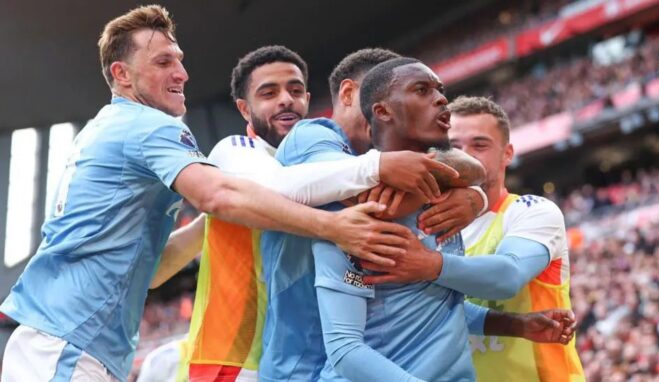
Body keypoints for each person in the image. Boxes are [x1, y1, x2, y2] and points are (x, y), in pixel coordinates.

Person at [0, 8, 429, 381]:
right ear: (122, 74)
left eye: (180, 61)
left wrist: (216, 222)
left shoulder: (109, 128)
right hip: (71, 343)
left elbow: (154, 269)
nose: (182, 73)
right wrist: (334, 225)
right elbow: (218, 194)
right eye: (164, 61)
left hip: (71, 342)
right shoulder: (150, 127)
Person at [151, 45, 452, 382]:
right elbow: (278, 185)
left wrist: (472, 190)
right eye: (269, 93)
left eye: (295, 91)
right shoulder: (235, 151)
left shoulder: (328, 161)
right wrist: (377, 169)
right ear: (244, 109)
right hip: (239, 362)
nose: (286, 100)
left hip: (310, 359)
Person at [312, 57, 578, 381]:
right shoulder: (353, 206)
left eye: (441, 90)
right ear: (382, 112)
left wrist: (514, 324)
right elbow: (344, 348)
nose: (441, 99)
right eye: (423, 90)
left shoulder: (452, 202)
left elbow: (429, 304)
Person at [440, 95, 585, 381]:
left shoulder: (531, 211)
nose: (465, 155)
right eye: (454, 147)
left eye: (479, 145)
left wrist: (423, 266)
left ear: (508, 153)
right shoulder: (429, 226)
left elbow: (506, 278)